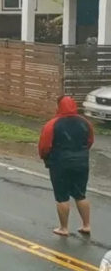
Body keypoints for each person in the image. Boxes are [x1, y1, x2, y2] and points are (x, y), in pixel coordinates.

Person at [39, 95, 94, 237]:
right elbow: (90, 141)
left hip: (60, 163)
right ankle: (86, 225)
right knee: (80, 194)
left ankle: (64, 228)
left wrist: (45, 158)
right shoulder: (85, 122)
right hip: (81, 162)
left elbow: (45, 146)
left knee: (62, 196)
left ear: (59, 106)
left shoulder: (53, 124)